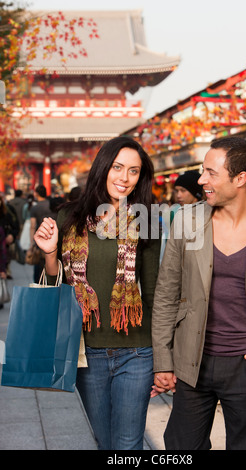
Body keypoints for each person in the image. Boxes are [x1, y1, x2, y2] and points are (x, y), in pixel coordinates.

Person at [151, 136, 246, 450]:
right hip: (193, 361)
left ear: (240, 178)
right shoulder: (187, 223)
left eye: (211, 172)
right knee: (180, 447)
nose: (202, 179)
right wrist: (163, 362)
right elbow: (166, 294)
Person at [33, 136, 161, 450]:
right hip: (86, 353)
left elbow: (155, 294)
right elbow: (55, 291)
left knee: (129, 442)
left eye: (134, 171)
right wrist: (50, 254)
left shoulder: (145, 220)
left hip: (136, 351)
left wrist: (164, 360)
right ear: (103, 167)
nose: (125, 178)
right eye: (118, 167)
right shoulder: (69, 218)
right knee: (105, 441)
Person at [29, 185, 56, 283]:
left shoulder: (35, 208)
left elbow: (32, 225)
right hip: (53, 236)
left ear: (36, 193)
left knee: (39, 265)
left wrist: (31, 243)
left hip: (40, 238)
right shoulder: (51, 204)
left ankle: (38, 285)